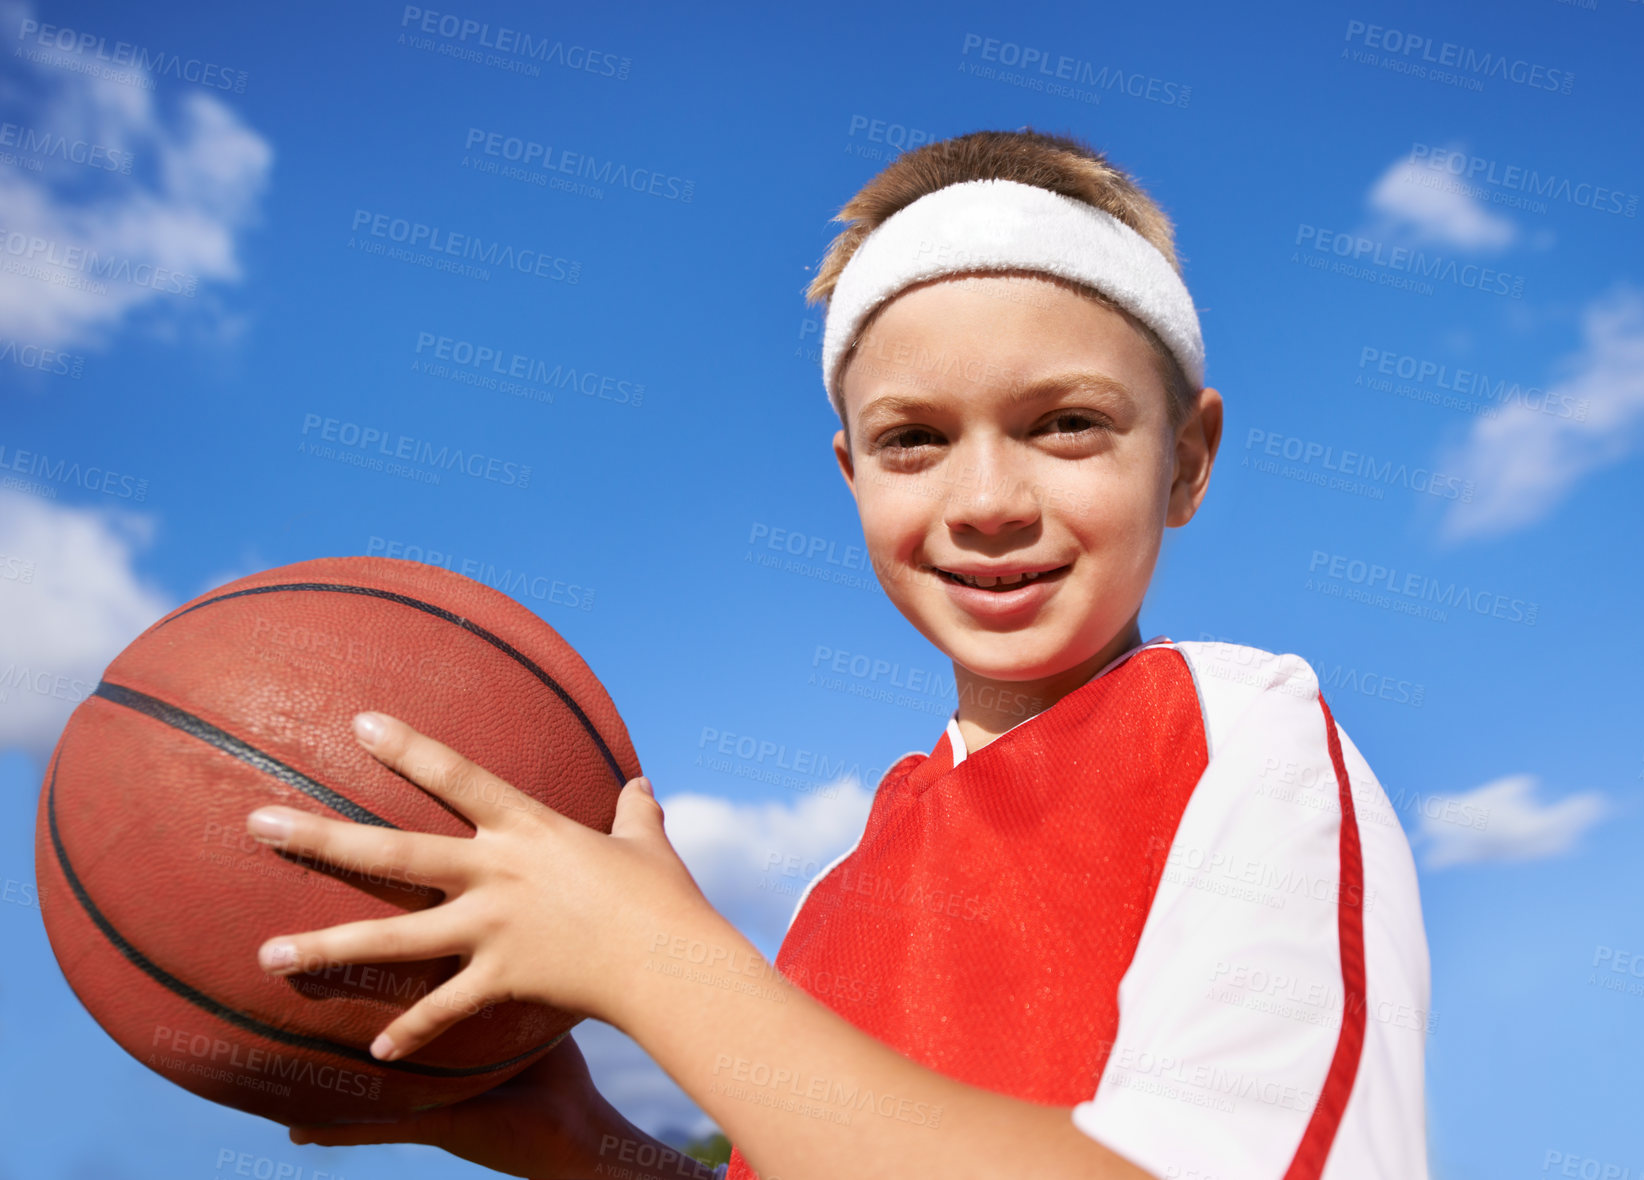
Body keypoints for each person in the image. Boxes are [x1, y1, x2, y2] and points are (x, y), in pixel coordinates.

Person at [246, 128, 1431, 1180]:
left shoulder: (1241, 737)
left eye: (1065, 422)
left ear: (1183, 459)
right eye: (911, 439)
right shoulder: (834, 892)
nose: (985, 498)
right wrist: (586, 1151)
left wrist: (658, 963)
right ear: (850, 474)